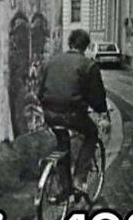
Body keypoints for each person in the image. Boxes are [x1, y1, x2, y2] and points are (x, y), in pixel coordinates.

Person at [37, 29, 110, 197]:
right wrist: (103, 114)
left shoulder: (52, 62)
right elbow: (97, 96)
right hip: (72, 115)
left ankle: (64, 187)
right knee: (92, 133)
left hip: (49, 114)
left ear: (70, 43)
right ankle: (79, 178)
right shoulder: (88, 65)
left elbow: (40, 91)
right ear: (85, 46)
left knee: (63, 145)